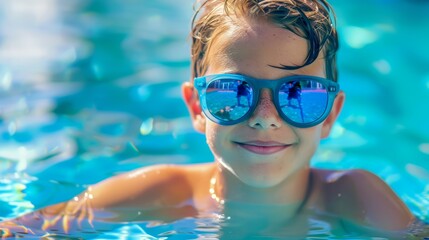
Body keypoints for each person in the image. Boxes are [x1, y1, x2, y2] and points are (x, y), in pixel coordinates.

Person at [0, 0, 421, 238]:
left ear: (330, 115)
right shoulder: (162, 192)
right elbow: (22, 230)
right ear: (196, 107)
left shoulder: (353, 196)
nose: (264, 118)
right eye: (233, 92)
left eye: (300, 94)